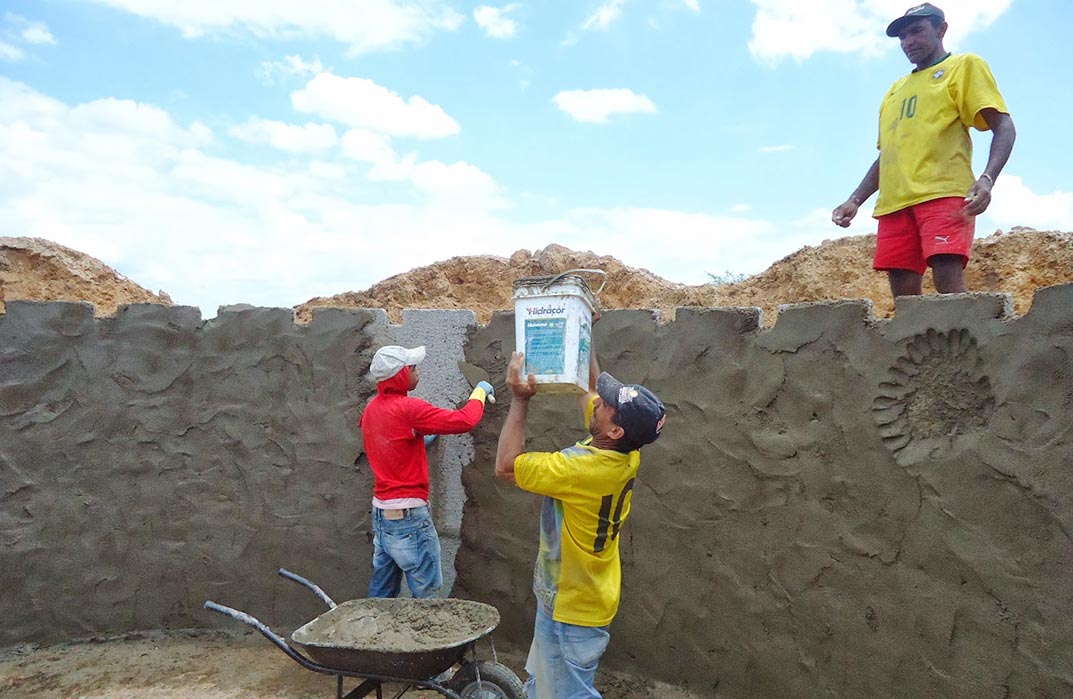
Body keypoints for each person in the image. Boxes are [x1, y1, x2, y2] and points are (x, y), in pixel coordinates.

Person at [495, 348, 666, 699]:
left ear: (616, 430)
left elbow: (506, 466)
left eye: (606, 405)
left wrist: (519, 400)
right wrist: (583, 330)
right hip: (572, 594)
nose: (597, 402)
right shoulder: (626, 451)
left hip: (574, 606)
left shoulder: (582, 470)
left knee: (570, 693)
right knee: (544, 684)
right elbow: (589, 387)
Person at [831, 2, 1015, 299]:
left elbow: (1004, 126)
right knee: (904, 299)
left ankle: (960, 344)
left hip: (943, 194)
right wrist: (855, 200)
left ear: (941, 29)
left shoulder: (963, 66)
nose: (908, 42)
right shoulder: (895, 90)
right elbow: (888, 154)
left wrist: (987, 178)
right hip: (893, 204)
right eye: (902, 37)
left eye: (916, 31)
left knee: (948, 285)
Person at [359, 344, 494, 598]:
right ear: (400, 376)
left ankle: (373, 636)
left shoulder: (371, 411)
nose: (417, 371)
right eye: (412, 368)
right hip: (410, 519)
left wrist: (421, 436)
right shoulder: (409, 409)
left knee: (381, 597)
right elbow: (465, 420)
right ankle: (424, 639)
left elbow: (392, 443)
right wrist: (479, 392)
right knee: (426, 599)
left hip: (382, 515)